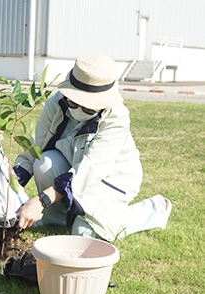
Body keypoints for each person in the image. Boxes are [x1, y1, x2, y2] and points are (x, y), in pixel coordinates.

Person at [14, 53, 172, 241]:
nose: (79, 109)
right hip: (72, 167)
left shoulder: (116, 117)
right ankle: (56, 222)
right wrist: (9, 186)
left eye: (89, 108)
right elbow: (33, 151)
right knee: (43, 162)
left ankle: (153, 210)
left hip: (109, 179)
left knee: (84, 234)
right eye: (74, 102)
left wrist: (41, 201)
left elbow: (89, 171)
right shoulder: (55, 103)